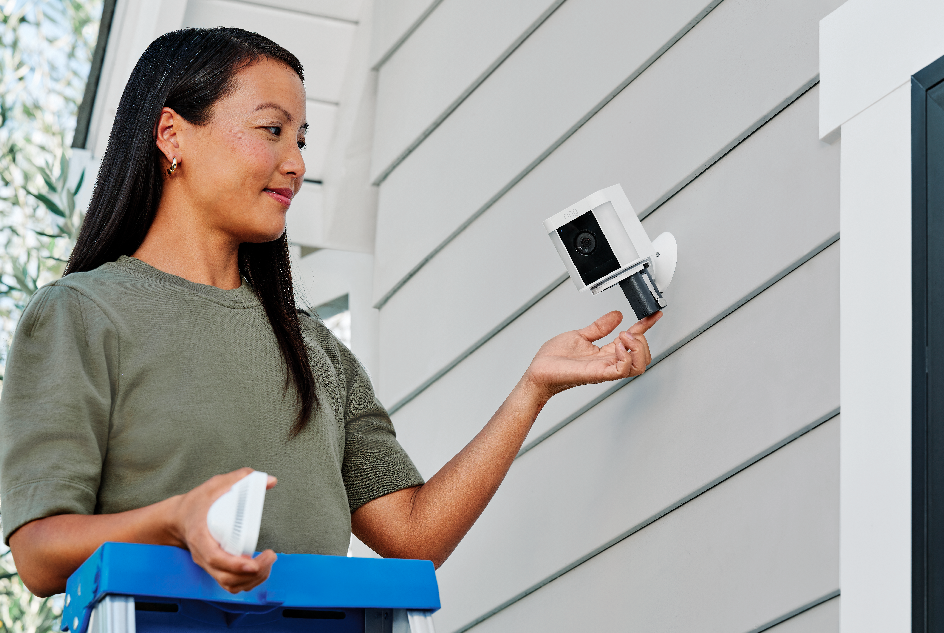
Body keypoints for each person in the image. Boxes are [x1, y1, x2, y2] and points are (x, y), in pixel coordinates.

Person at [0, 27, 660, 598]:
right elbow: (38, 550)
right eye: (271, 130)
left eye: (301, 138)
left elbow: (413, 535)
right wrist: (175, 518)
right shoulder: (82, 315)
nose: (296, 162)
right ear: (172, 134)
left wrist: (532, 390)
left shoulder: (316, 350)